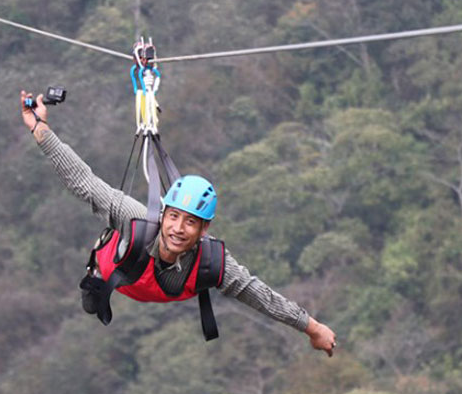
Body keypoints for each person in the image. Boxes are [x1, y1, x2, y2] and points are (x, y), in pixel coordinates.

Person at [21, 90, 338, 356]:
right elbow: (82, 180)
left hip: (167, 285)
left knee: (203, 279)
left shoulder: (214, 263)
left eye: (190, 222)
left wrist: (312, 327)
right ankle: (95, 276)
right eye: (173, 217)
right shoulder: (134, 219)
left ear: (204, 230)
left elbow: (260, 295)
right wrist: (40, 129)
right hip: (119, 269)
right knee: (93, 301)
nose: (177, 228)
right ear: (163, 214)